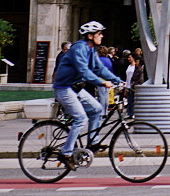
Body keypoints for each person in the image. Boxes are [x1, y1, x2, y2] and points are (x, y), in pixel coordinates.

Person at [51, 21, 121, 168]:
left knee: (97, 109)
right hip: (64, 88)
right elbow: (84, 71)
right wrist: (102, 83)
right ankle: (66, 153)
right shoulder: (79, 48)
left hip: (75, 88)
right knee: (81, 118)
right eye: (99, 34)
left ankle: (93, 144)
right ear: (90, 36)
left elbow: (99, 68)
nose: (101, 36)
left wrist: (118, 80)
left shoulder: (91, 49)